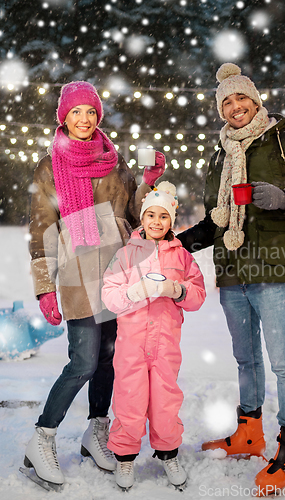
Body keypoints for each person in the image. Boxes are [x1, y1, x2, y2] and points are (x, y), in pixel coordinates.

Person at [177, 63, 285, 495]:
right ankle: (249, 432)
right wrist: (177, 243)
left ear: (255, 99)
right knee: (246, 359)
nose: (234, 106)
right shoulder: (220, 154)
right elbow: (216, 221)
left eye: (240, 97)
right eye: (225, 101)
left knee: (283, 361)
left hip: (273, 267)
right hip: (231, 269)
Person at [24, 81, 166, 490]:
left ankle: (95, 430)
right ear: (63, 118)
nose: (84, 120)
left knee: (108, 360)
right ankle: (42, 437)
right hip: (76, 273)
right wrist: (45, 286)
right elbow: (42, 229)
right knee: (83, 362)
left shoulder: (113, 158)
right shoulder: (51, 165)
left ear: (98, 116)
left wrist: (149, 181)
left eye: (91, 113)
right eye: (76, 113)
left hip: (118, 271)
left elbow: (135, 215)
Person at [102, 181, 206, 490]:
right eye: (151, 216)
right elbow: (110, 295)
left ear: (171, 221)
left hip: (165, 345)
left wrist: (178, 290)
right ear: (142, 219)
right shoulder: (125, 254)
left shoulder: (182, 256)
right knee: (129, 399)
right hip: (131, 344)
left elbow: (198, 295)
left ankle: (168, 452)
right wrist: (133, 291)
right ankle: (124, 457)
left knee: (165, 400)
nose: (156, 222)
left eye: (163, 217)